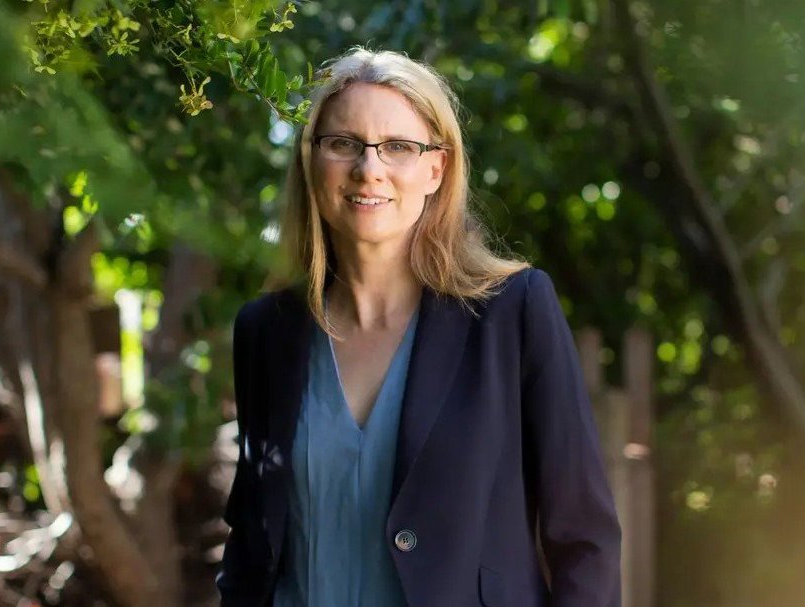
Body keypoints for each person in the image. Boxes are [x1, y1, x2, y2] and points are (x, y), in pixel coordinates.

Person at [216, 47, 621, 607]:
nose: (369, 169)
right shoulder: (266, 331)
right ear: (311, 160)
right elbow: (251, 544)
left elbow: (584, 539)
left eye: (399, 147)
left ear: (438, 169)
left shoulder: (513, 312)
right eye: (343, 143)